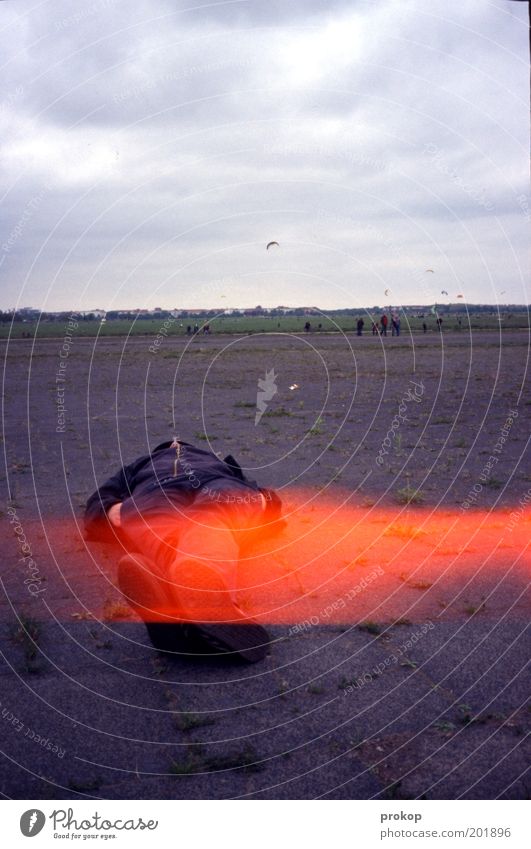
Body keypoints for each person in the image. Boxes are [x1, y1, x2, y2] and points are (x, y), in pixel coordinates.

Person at [84, 439, 283, 663]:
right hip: (156, 490)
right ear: (162, 450)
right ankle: (206, 610)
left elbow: (257, 495)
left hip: (216, 484)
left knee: (209, 519)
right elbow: (99, 499)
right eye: (171, 442)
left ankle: (176, 611)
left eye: (180, 442)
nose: (176, 441)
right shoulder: (138, 465)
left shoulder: (219, 462)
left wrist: (266, 501)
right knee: (163, 528)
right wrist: (110, 510)